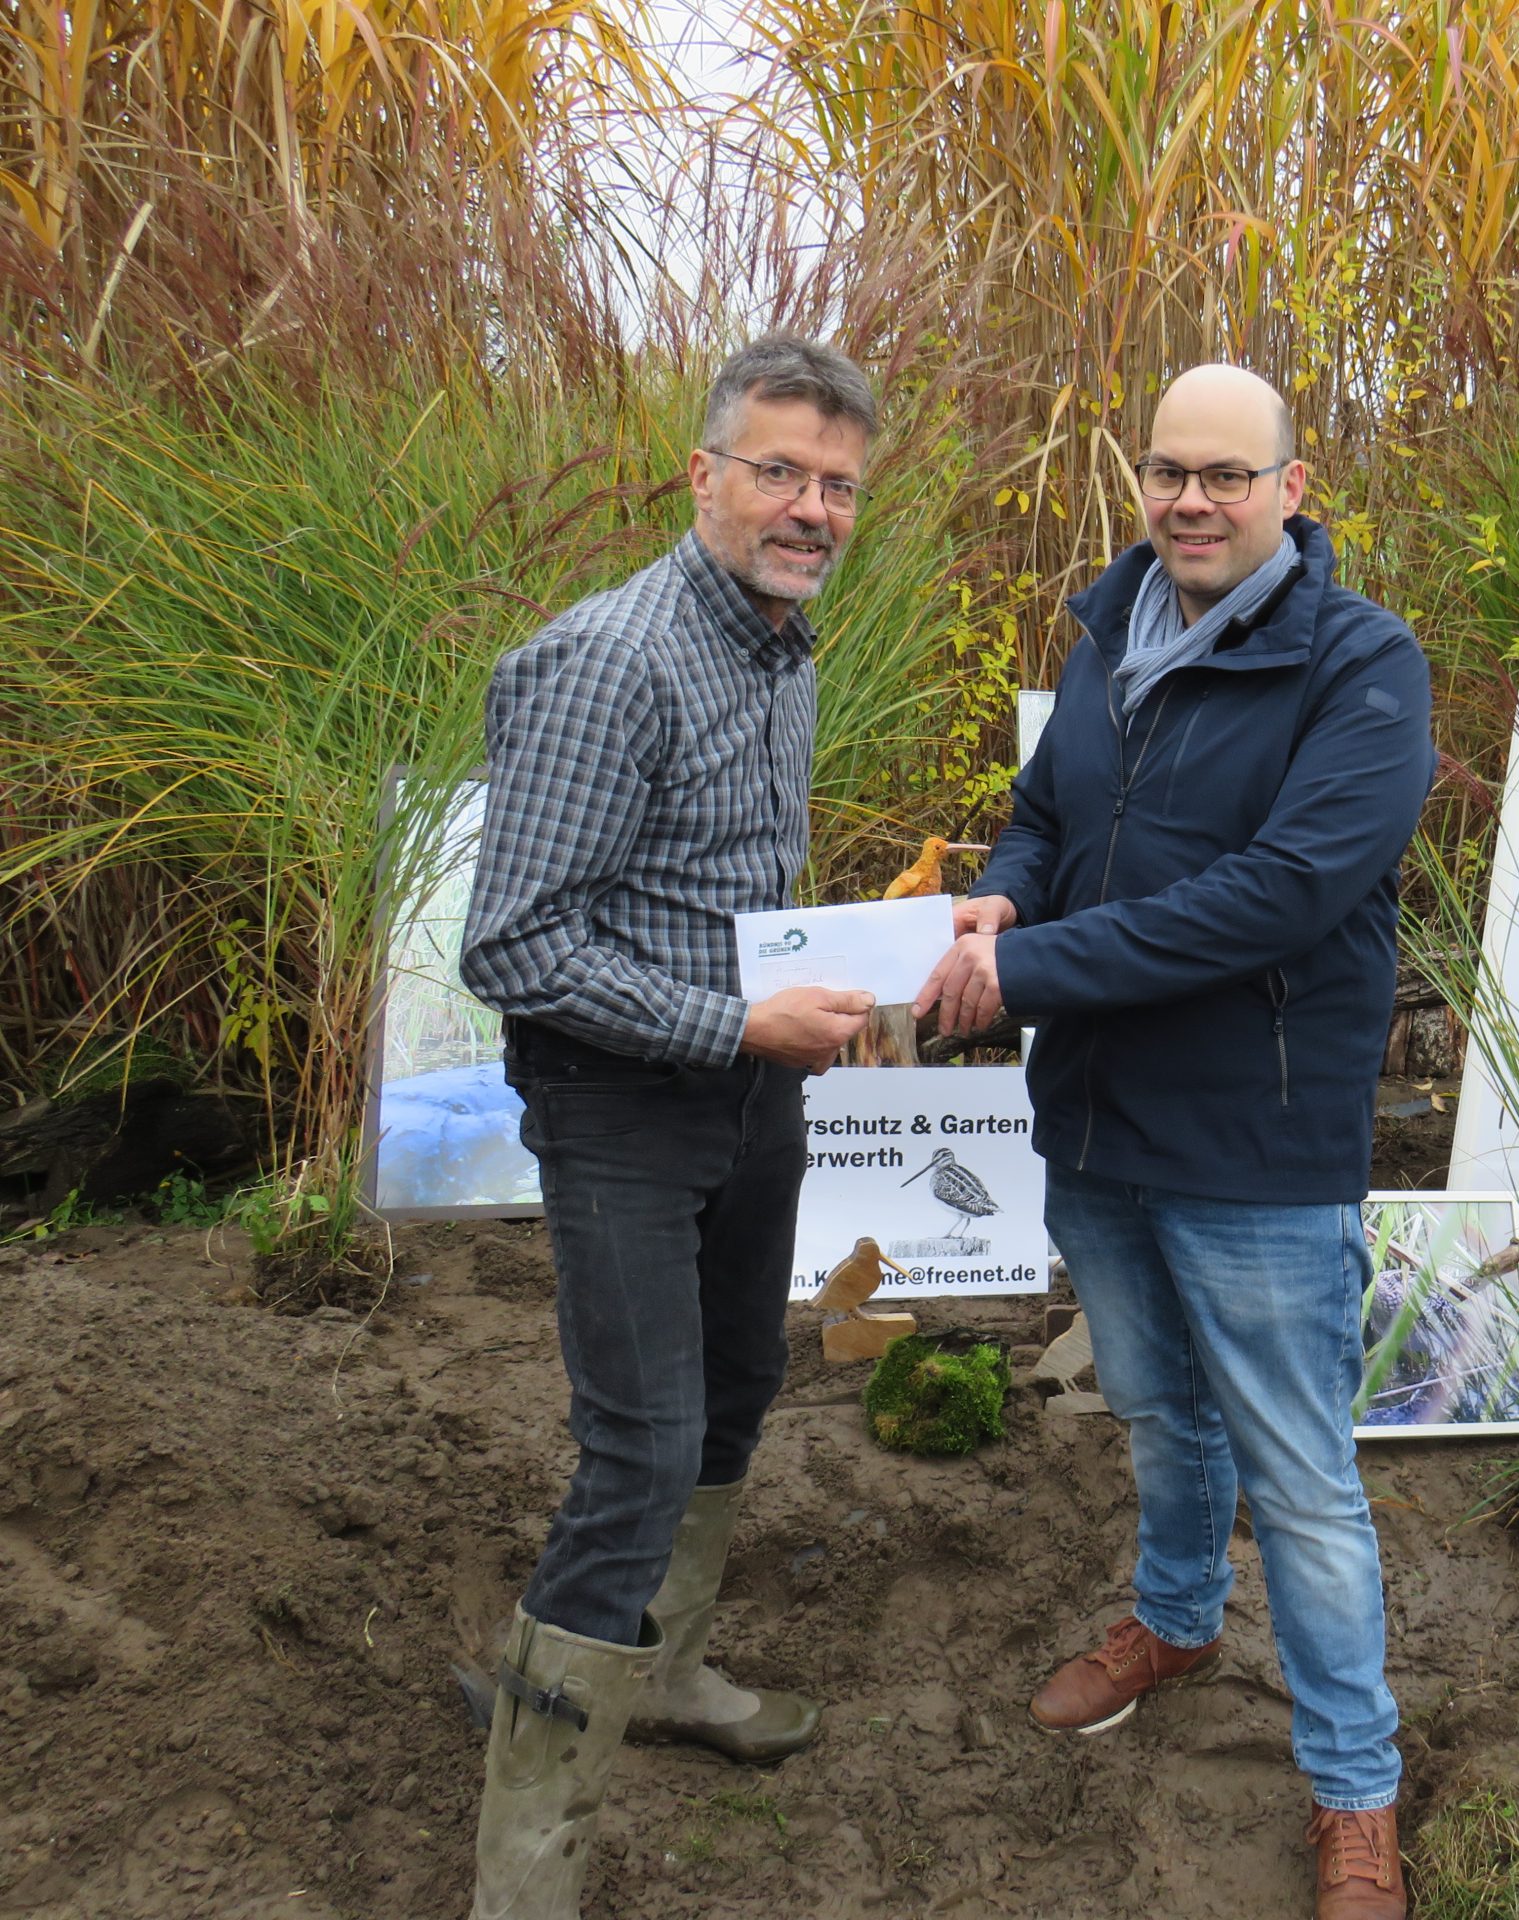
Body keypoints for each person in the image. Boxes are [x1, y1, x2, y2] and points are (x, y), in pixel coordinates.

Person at [915, 363, 1436, 1919]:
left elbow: (1281, 893)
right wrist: (1008, 890)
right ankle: (1176, 1619)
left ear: (1291, 486)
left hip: (1255, 1136)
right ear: (1138, 481)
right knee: (1156, 1408)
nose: (1191, 501)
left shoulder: (1362, 664)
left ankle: (1357, 1788)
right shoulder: (1109, 630)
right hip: (1098, 1120)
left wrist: (1024, 972)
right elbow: (1046, 816)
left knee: (1302, 1472)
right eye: (1166, 472)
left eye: (1225, 474)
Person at [458, 334, 882, 1919]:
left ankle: (671, 1670)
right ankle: (530, 1852)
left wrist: (870, 966)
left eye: (837, 486)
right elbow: (511, 944)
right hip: (620, 1104)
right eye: (778, 470)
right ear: (702, 473)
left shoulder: (783, 649)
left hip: (748, 1092)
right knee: (635, 1450)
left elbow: (722, 903)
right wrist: (734, 1024)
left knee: (742, 1386)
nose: (810, 508)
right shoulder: (610, 663)